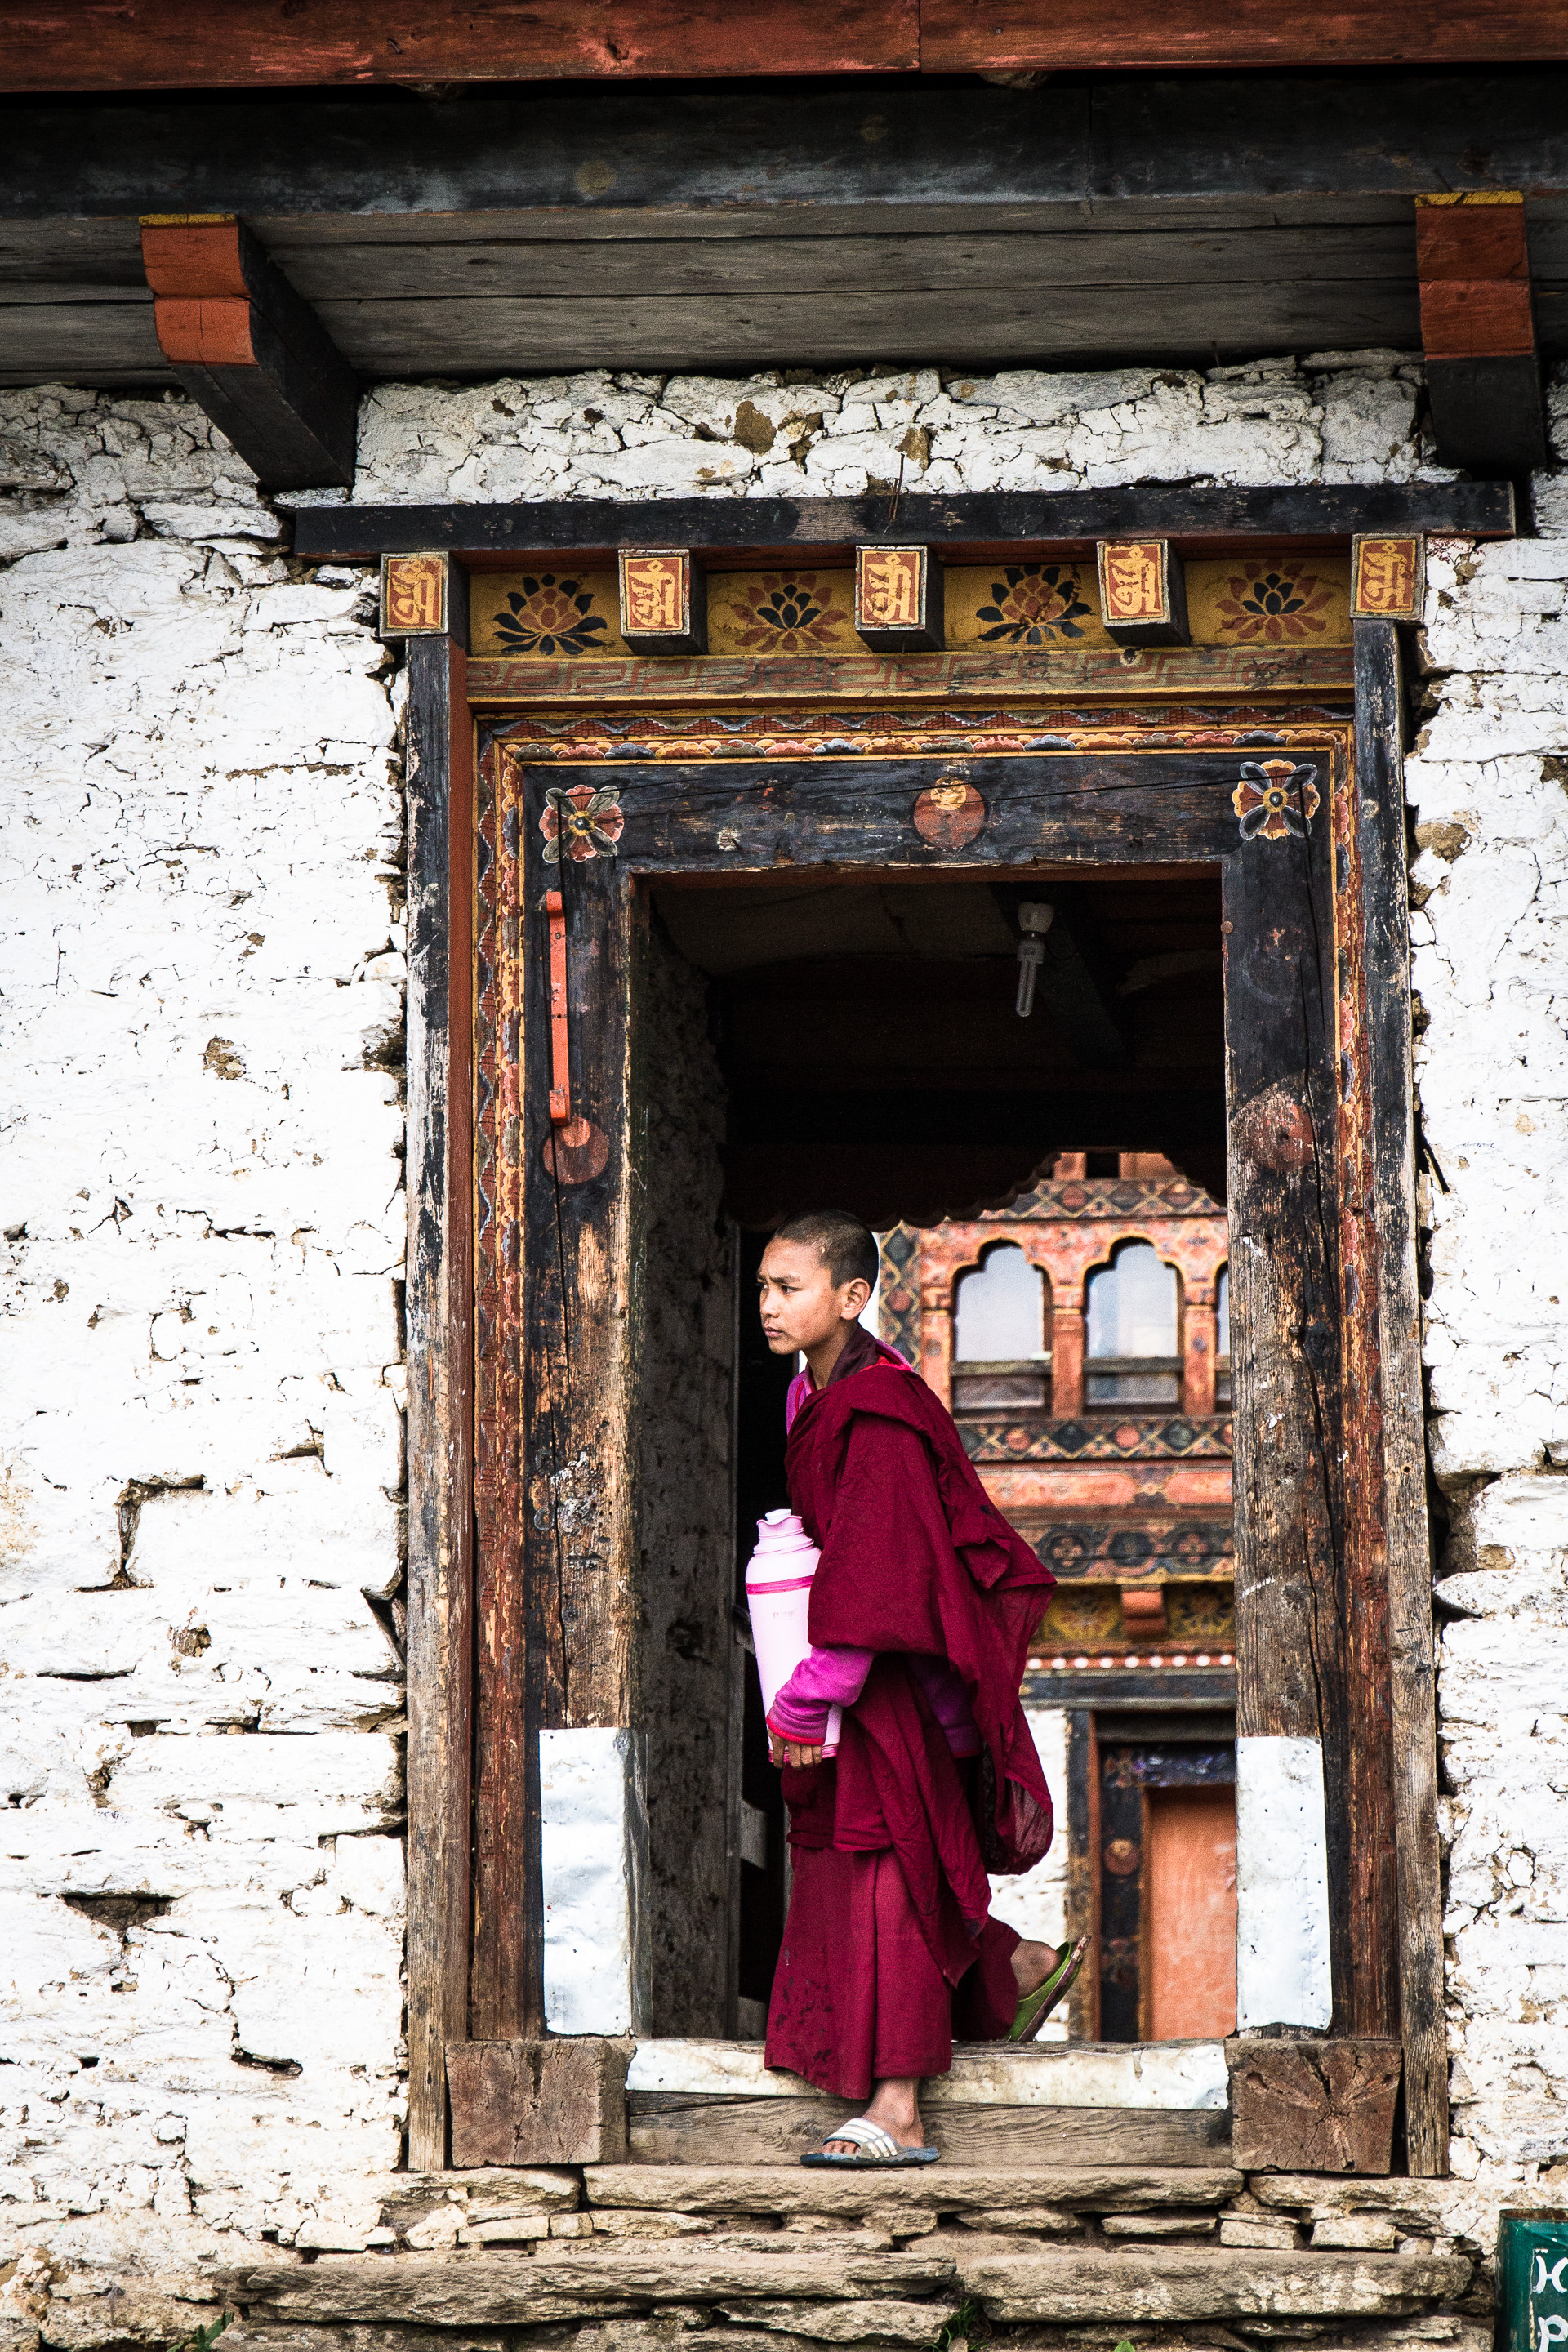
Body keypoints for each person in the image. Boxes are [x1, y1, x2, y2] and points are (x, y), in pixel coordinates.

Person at [758, 1209, 1085, 2168]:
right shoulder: (811, 1392)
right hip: (858, 1674)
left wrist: (812, 1692)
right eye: (765, 1287)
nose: (768, 1306)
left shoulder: (884, 1414)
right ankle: (1010, 1964)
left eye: (790, 1288)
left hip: (886, 1682)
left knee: (889, 1871)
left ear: (851, 1298)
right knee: (867, 1863)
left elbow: (883, 1573)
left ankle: (899, 2109)